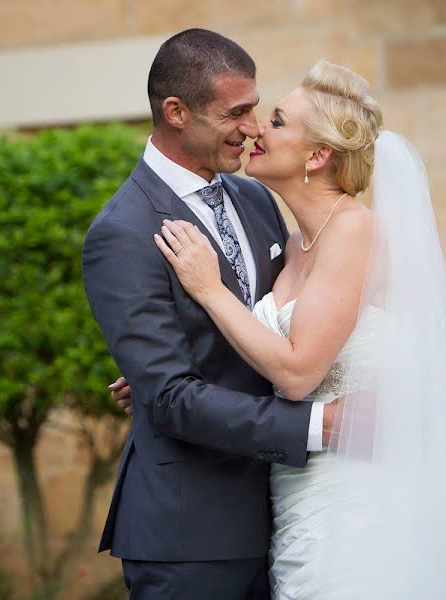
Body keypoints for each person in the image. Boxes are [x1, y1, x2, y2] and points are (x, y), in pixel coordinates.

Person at [111, 59, 446, 597]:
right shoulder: (291, 239)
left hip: (351, 494)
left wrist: (207, 288)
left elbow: (295, 372)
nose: (254, 130)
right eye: (250, 114)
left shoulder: (355, 231)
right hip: (286, 497)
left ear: (318, 155)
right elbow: (258, 345)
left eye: (273, 120)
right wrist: (168, 379)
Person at [82, 29, 338, 599]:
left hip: (289, 515)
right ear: (176, 111)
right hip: (190, 536)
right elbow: (173, 398)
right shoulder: (122, 233)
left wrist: (163, 374)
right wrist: (320, 427)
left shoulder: (254, 198)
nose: (252, 128)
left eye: (255, 109)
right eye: (236, 112)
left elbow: (271, 326)